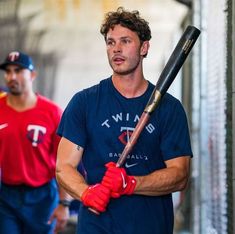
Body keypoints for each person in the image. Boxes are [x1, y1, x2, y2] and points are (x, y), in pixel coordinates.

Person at [56, 7, 193, 234]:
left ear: (144, 47)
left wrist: (131, 183)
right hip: (97, 226)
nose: (116, 49)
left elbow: (179, 176)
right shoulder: (85, 103)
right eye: (110, 42)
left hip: (151, 226)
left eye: (125, 41)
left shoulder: (170, 108)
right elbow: (64, 167)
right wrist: (86, 193)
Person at [0, 51, 71, 234]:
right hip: (6, 196)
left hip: (42, 197)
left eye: (18, 70)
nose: (12, 76)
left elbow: (65, 163)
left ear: (32, 75)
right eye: (7, 71)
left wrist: (64, 204)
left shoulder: (52, 113)